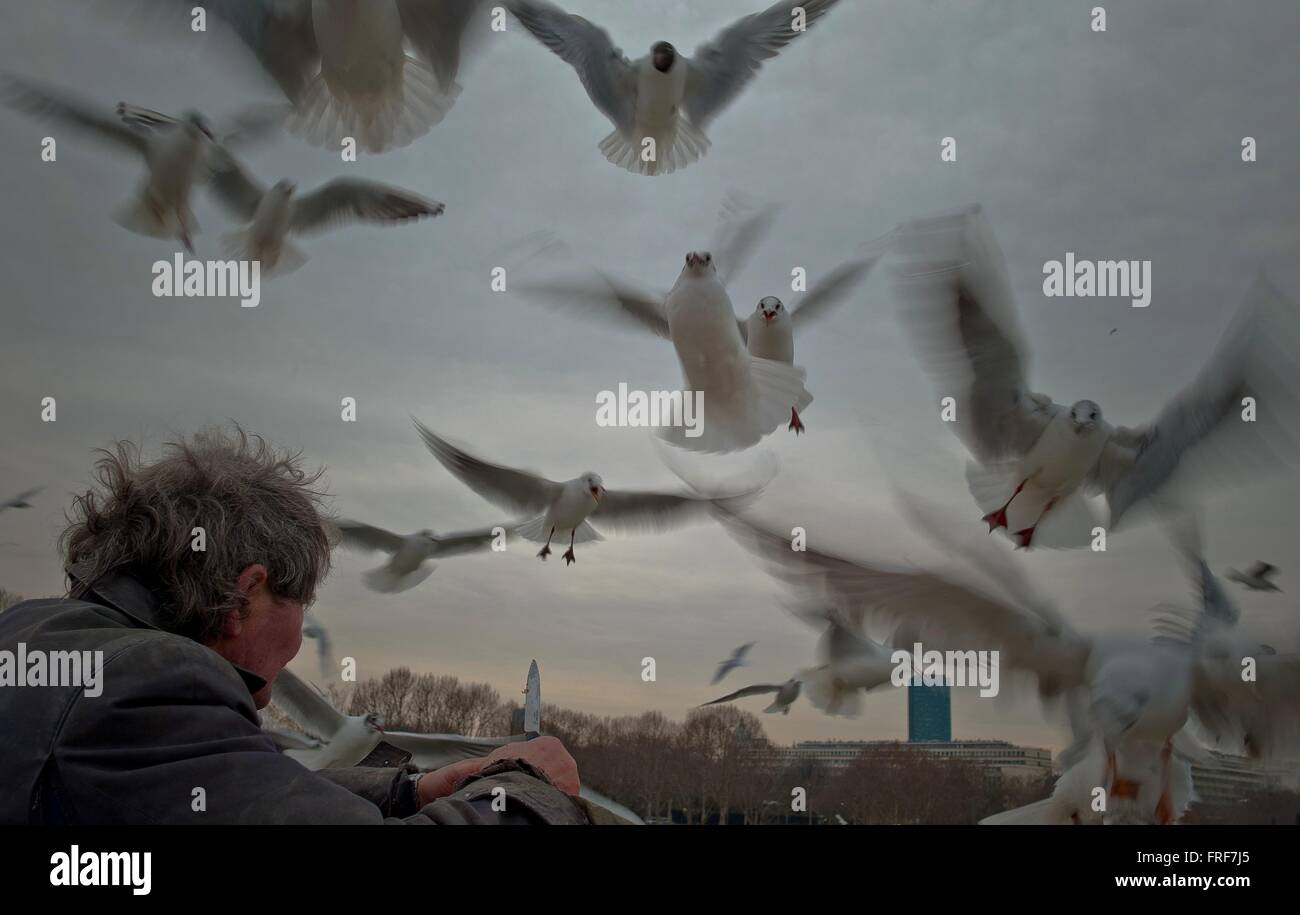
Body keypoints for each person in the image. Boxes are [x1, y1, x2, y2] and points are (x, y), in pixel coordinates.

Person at [0, 426, 595, 824]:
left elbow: (237, 790)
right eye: (303, 598)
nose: (260, 706)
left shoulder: (30, 635)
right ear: (246, 592)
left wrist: (407, 791)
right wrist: (525, 791)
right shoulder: (148, 684)